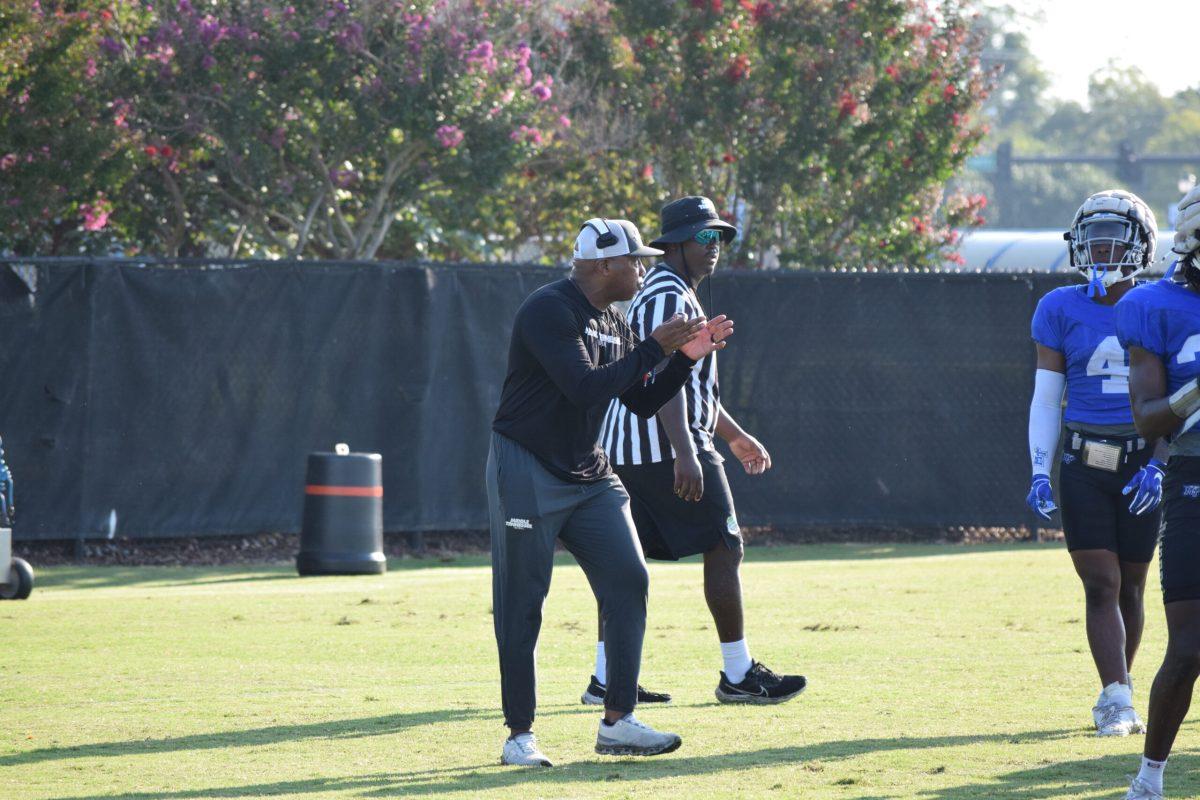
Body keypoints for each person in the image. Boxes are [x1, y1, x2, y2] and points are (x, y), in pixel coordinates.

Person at [488, 217, 735, 767]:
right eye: (635, 260)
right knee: (523, 602)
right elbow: (582, 388)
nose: (643, 269)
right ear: (602, 265)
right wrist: (652, 347)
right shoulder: (548, 309)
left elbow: (642, 400)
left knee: (629, 579)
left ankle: (618, 722)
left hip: (589, 472)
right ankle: (519, 735)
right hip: (526, 466)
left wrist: (687, 356)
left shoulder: (616, 320)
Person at [580, 196, 806, 707]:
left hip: (637, 445)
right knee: (725, 546)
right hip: (660, 443)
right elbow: (661, 375)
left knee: (623, 564)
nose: (716, 247)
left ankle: (605, 679)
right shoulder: (666, 293)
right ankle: (739, 674)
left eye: (721, 237)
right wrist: (686, 450)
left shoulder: (673, 291)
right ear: (676, 243)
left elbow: (693, 384)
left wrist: (733, 435)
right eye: (705, 237)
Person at [1026, 189, 1165, 737]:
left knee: (1132, 585)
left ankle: (1119, 690)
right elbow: (1045, 397)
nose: (1104, 253)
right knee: (1100, 583)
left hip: (1141, 462)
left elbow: (1178, 400)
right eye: (1095, 242)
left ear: (1142, 247)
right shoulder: (1057, 306)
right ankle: (1115, 698)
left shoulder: (1161, 303)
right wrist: (1040, 467)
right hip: (1084, 458)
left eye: (1115, 242)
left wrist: (1159, 460)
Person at [1120, 184, 1200, 800]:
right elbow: (1149, 418)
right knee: (1190, 646)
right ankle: (1150, 779)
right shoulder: (1156, 305)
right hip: (1194, 477)